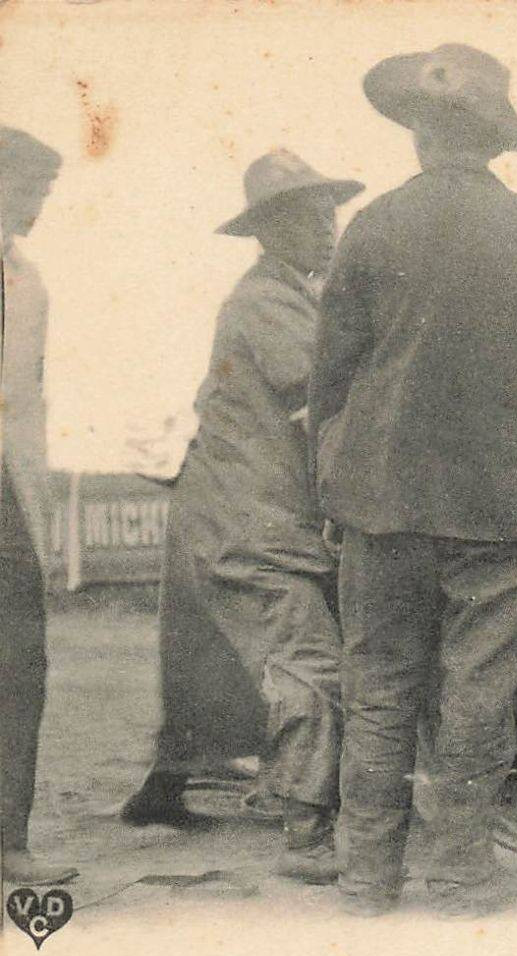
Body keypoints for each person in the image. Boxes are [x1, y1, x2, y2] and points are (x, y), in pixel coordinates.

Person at [310, 44, 517, 919]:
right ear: (495, 139)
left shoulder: (370, 225)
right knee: (477, 687)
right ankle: (459, 874)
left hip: (380, 499)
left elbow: (330, 379)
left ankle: (365, 879)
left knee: (381, 687)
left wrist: (337, 485)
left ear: (417, 136)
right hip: (499, 504)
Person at [119, 150, 362, 885]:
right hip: (249, 522)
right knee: (308, 661)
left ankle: (172, 789)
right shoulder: (267, 302)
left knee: (217, 666)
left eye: (329, 212)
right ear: (270, 229)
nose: (326, 227)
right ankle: (306, 833)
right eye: (306, 216)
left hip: (243, 512)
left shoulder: (291, 294)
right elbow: (320, 407)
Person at [0, 126, 78, 886]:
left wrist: (39, 515)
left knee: (20, 664)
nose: (36, 206)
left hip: (7, 493)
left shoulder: (30, 285)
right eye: (28, 189)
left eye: (44, 192)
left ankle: (9, 840)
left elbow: (29, 407)